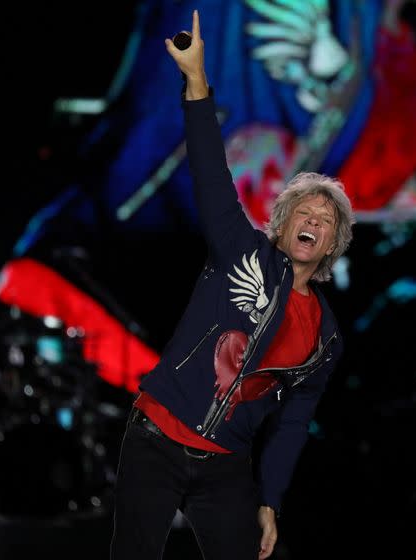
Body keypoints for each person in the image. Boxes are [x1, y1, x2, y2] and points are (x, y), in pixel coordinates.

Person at [109, 10, 355, 560]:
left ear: (333, 243)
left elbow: (293, 422)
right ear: (283, 223)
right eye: (303, 211)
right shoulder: (238, 249)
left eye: (325, 218)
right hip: (158, 441)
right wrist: (196, 81)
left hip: (226, 467)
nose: (312, 220)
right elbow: (209, 170)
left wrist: (269, 500)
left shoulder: (327, 338)